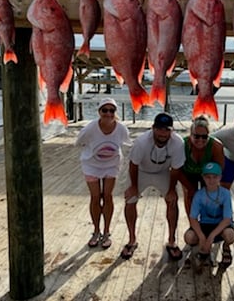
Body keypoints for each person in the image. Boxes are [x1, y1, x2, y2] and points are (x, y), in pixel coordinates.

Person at [121, 112, 186, 260]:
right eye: (160, 129)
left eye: (167, 130)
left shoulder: (178, 143)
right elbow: (133, 164)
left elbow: (176, 170)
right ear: (153, 129)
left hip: (163, 172)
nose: (163, 133)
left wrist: (171, 190)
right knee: (130, 200)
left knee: (172, 201)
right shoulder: (141, 141)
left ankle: (171, 241)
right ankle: (132, 240)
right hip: (141, 171)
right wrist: (134, 187)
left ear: (172, 131)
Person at [75, 98, 130, 249]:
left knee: (107, 195)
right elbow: (78, 142)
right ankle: (96, 230)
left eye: (111, 110)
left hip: (111, 164)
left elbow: (127, 142)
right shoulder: (90, 128)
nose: (108, 113)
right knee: (95, 196)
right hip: (91, 164)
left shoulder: (121, 129)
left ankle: (106, 231)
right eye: (104, 110)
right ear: (99, 112)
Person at [184, 162, 234, 266]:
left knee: (230, 235)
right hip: (205, 224)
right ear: (203, 177)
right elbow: (193, 218)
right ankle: (202, 246)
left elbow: (227, 219)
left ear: (220, 177)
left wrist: (212, 236)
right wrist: (201, 236)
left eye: (215, 177)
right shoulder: (199, 195)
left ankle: (226, 247)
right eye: (208, 177)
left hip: (220, 225)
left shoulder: (225, 193)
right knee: (189, 237)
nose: (211, 180)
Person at [177, 115, 225, 219]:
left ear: (209, 136)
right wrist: (189, 188)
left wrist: (210, 186)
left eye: (204, 137)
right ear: (190, 135)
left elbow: (219, 169)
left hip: (208, 173)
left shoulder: (216, 146)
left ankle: (206, 221)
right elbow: (177, 170)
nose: (200, 140)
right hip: (188, 173)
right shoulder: (182, 145)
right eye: (196, 136)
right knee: (189, 194)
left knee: (210, 195)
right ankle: (193, 223)